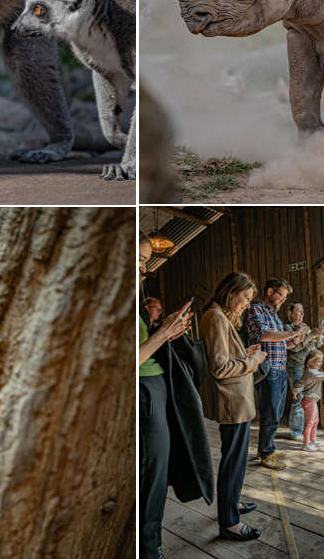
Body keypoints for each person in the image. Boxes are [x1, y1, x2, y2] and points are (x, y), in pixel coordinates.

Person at [140, 235, 209, 559]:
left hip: (156, 386)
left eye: (146, 261)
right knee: (151, 475)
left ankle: (152, 542)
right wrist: (164, 333)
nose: (144, 268)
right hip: (143, 392)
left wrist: (166, 330)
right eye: (140, 259)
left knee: (159, 469)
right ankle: (148, 548)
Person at [199, 272, 269, 542]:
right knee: (233, 461)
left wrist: (245, 354)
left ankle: (233, 501)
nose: (248, 304)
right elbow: (219, 368)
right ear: (231, 292)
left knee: (237, 459)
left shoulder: (219, 315)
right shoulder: (215, 316)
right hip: (232, 401)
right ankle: (229, 522)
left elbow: (227, 358)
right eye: (246, 297)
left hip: (238, 400)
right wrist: (253, 362)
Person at [243, 278, 307, 469]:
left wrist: (299, 337)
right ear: (270, 291)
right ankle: (266, 453)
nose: (282, 300)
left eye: (285, 297)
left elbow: (282, 344)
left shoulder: (274, 315)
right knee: (270, 413)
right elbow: (264, 335)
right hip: (268, 369)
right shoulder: (256, 310)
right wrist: (292, 334)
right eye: (281, 295)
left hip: (280, 370)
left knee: (276, 414)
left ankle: (264, 448)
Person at [284, 303, 324, 441]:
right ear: (290, 313)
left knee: (308, 398)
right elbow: (293, 348)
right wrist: (310, 335)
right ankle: (296, 431)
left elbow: (314, 346)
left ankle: (308, 428)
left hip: (308, 368)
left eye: (303, 312)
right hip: (295, 366)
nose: (302, 314)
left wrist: (318, 336)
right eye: (298, 311)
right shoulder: (287, 328)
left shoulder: (306, 327)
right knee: (299, 398)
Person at [292, 351, 324, 451]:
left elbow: (300, 383)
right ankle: (306, 444)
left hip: (311, 401)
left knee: (315, 421)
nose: (320, 363)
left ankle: (313, 440)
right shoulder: (312, 372)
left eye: (321, 361)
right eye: (318, 361)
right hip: (309, 401)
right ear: (310, 362)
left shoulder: (309, 371)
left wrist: (295, 392)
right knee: (309, 423)